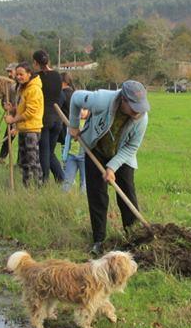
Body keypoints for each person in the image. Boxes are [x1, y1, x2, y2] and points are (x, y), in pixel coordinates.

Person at [68, 80, 149, 255]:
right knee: (97, 195)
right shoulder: (101, 100)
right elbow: (75, 98)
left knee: (127, 193)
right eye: (134, 107)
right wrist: (74, 125)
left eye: (140, 107)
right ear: (123, 101)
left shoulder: (142, 119)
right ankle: (99, 240)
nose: (138, 111)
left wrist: (112, 167)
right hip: (96, 149)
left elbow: (131, 148)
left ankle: (133, 237)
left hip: (122, 154)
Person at [5, 63, 43, 186]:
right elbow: (22, 109)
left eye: (21, 74)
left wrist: (13, 120)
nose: (18, 77)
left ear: (29, 74)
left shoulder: (34, 89)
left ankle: (38, 188)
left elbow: (30, 112)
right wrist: (12, 109)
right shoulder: (23, 88)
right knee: (24, 162)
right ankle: (26, 187)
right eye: (17, 75)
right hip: (23, 129)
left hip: (32, 130)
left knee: (33, 162)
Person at [33, 50, 64, 184]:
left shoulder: (36, 78)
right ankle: (61, 179)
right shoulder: (57, 75)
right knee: (50, 153)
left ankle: (43, 182)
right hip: (58, 118)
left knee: (43, 153)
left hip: (44, 118)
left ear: (35, 62)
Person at [61, 108, 88, 193]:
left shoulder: (89, 124)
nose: (82, 112)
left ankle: (82, 199)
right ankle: (63, 198)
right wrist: (65, 156)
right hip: (71, 156)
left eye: (85, 109)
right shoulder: (72, 123)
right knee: (67, 180)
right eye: (80, 109)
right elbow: (67, 140)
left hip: (84, 157)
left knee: (84, 182)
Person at [0, 63, 19, 164]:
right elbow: (4, 100)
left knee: (24, 140)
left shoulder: (22, 85)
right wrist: (5, 106)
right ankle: (1, 158)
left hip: (22, 115)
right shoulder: (8, 84)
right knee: (8, 138)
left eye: (11, 71)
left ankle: (20, 163)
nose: (9, 74)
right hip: (12, 116)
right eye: (8, 72)